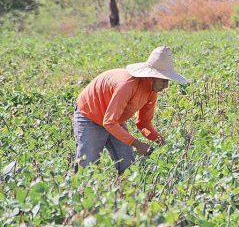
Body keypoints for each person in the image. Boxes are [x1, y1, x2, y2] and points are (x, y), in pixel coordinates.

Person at [73, 46, 188, 174]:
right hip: (90, 116)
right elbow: (109, 122)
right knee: (87, 167)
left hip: (114, 118)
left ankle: (123, 192)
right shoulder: (127, 85)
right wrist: (138, 144)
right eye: (163, 81)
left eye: (167, 81)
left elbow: (143, 123)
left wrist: (159, 139)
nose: (166, 86)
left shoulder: (151, 93)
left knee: (128, 164)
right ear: (152, 77)